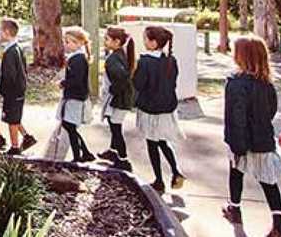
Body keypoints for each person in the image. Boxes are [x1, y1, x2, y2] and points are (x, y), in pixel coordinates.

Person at [222, 36, 281, 237]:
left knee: (236, 173)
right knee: (268, 181)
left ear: (241, 56)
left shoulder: (235, 83)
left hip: (240, 141)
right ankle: (279, 223)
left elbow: (237, 117)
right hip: (263, 140)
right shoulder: (266, 83)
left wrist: (237, 145)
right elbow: (272, 110)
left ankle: (235, 209)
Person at [134, 25, 186, 195]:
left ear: (154, 43)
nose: (144, 41)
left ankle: (158, 180)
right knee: (163, 141)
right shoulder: (171, 60)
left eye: (146, 39)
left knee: (152, 143)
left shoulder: (145, 61)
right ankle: (176, 171)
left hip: (150, 109)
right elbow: (173, 83)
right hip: (167, 108)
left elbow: (139, 85)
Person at [98, 26, 136, 171]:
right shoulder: (119, 54)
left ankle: (123, 159)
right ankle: (113, 152)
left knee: (116, 128)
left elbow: (122, 79)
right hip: (121, 99)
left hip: (119, 100)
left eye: (107, 39)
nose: (104, 41)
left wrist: (112, 91)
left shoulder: (113, 59)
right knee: (114, 125)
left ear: (117, 41)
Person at [0, 18, 36, 154]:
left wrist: (3, 90)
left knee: (12, 120)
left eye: (0, 31)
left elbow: (9, 75)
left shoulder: (10, 52)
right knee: (15, 117)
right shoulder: (17, 48)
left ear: (7, 32)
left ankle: (14, 147)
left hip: (13, 91)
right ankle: (27, 137)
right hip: (19, 90)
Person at [57, 27, 95, 163]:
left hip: (75, 97)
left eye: (69, 42)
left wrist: (64, 83)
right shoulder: (76, 57)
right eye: (65, 42)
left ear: (79, 43)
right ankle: (85, 153)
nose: (66, 45)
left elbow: (76, 80)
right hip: (75, 96)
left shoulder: (78, 59)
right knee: (69, 125)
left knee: (70, 125)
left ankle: (78, 156)